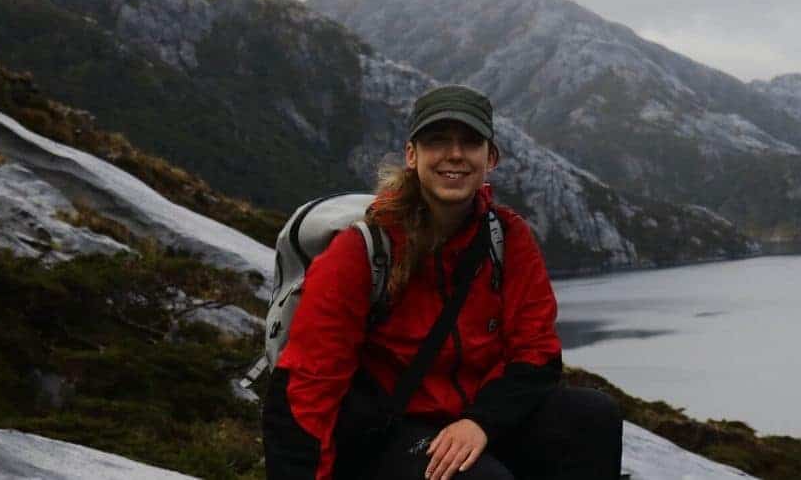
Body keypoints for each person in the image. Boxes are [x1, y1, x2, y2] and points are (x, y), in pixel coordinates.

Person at [262, 85, 622, 480]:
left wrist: (480, 423)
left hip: (469, 418)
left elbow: (535, 353)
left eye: (470, 142)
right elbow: (309, 382)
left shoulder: (508, 238)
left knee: (593, 416)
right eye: (437, 141)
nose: (455, 154)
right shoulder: (363, 251)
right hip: (386, 433)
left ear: (491, 158)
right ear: (412, 155)